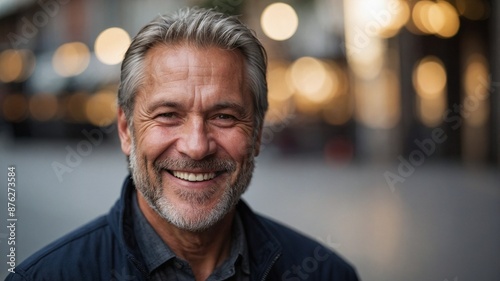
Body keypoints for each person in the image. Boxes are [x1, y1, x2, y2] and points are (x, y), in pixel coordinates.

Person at [6, 8, 359, 281]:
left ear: (257, 135)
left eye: (224, 116)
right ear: (126, 130)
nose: (196, 146)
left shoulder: (326, 274)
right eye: (168, 115)